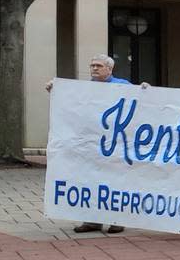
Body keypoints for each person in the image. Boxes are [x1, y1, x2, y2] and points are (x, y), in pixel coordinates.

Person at [48, 55, 131, 234]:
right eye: (92, 65)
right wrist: (55, 90)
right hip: (90, 143)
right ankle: (92, 220)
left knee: (113, 181)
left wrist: (145, 89)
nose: (94, 68)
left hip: (112, 143)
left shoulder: (122, 85)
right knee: (90, 179)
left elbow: (142, 98)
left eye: (98, 66)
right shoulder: (84, 88)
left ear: (110, 69)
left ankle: (116, 219)